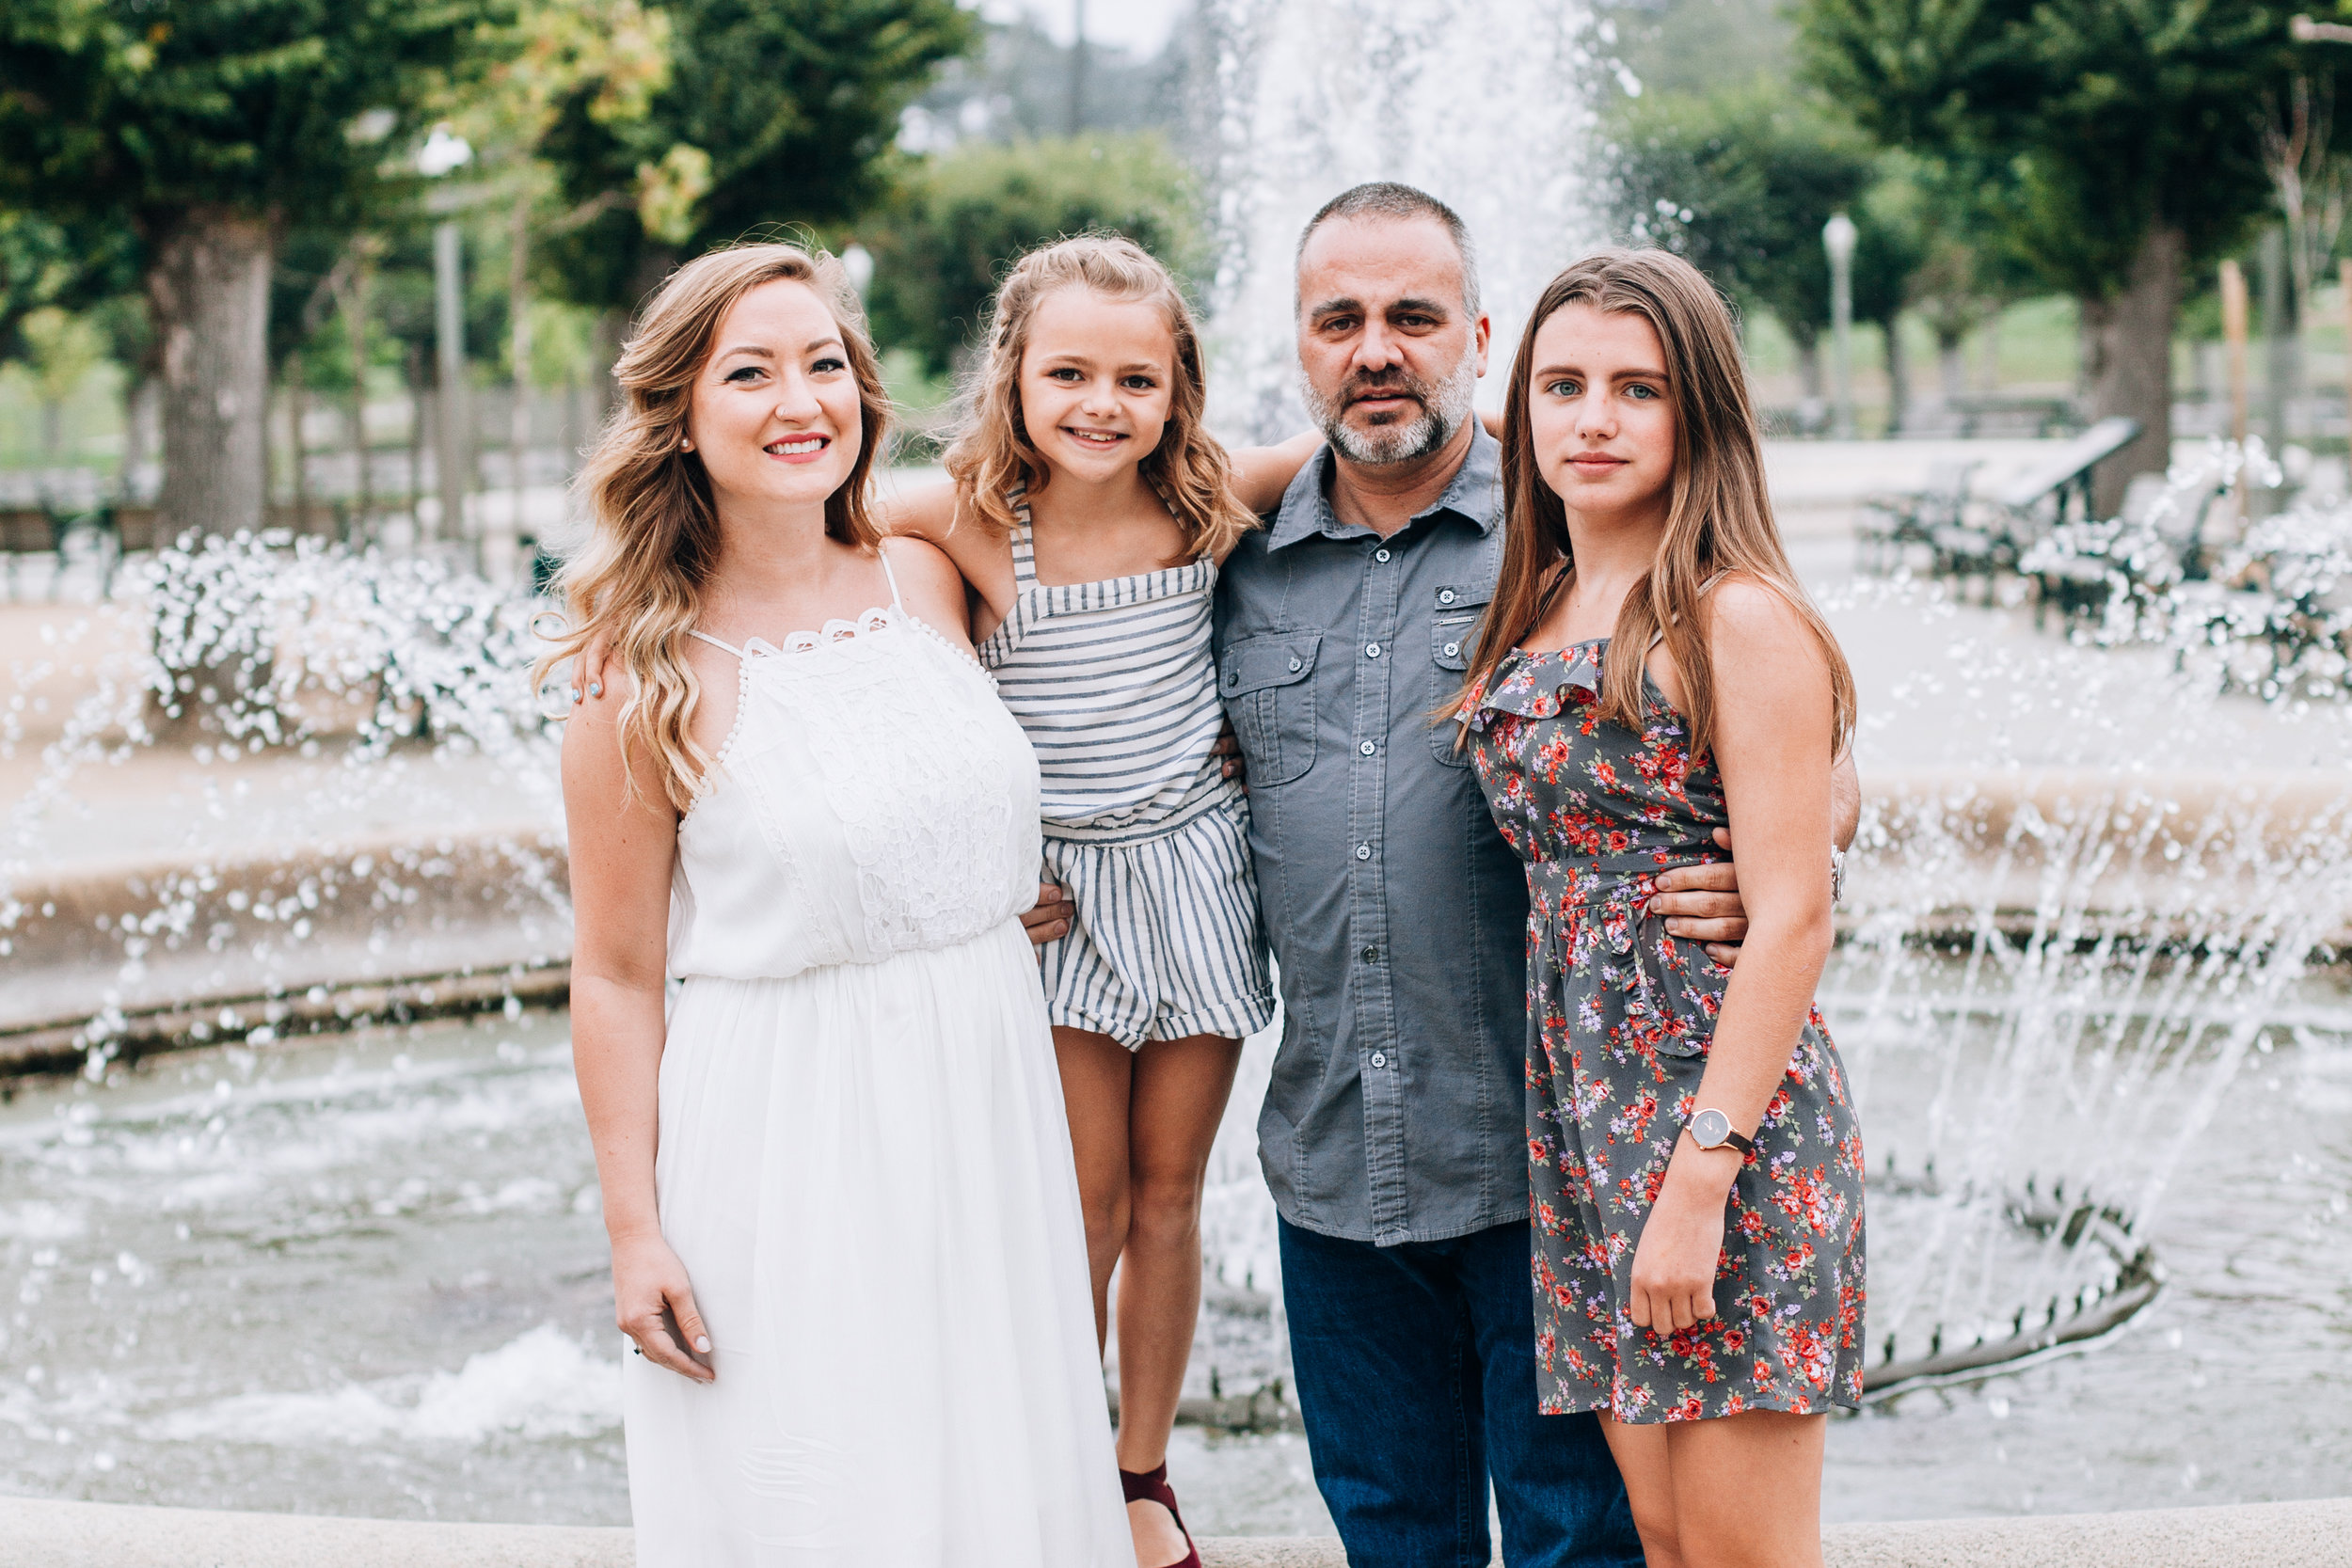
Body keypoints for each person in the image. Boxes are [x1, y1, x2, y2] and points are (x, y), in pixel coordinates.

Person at [1212, 183, 1862, 1566]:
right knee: (1504, 1538)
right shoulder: (1256, 556)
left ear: (1472, 335)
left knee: (1606, 1548)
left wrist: (1783, 850)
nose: (1376, 347)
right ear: (1297, 341)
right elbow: (1025, 516)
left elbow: (1798, 778)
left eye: (1414, 317)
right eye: (1340, 320)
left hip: (1600, 1144)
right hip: (1420, 1155)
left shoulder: (1612, 555)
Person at [544, 242, 1132, 1567]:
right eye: (747, 372)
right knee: (828, 1497)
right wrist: (633, 1233)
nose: (798, 399)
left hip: (986, 1105)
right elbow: (617, 975)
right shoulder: (633, 675)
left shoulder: (925, 572)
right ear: (680, 418)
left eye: (824, 365)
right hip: (784, 1136)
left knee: (999, 1484)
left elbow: (1144, 534)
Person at [885, 233, 1315, 1568]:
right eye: (1068, 372)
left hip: (1193, 875)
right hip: (1058, 901)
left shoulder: (1206, 499)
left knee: (1172, 1193)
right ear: (1012, 373)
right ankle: (1055, 1459)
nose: (1100, 405)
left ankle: (1142, 1469)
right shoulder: (959, 516)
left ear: (1178, 385)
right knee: (1082, 1196)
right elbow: (799, 512)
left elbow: (1397, 445)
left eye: (1137, 378)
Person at [1454, 247, 1866, 1567]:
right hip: (1585, 1125)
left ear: (1699, 415)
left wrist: (1700, 1178)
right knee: (1671, 1543)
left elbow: (1795, 916)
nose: (1593, 418)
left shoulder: (1733, 615)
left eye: (1637, 389)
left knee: (1746, 1557)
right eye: (1563, 385)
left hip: (1719, 1132)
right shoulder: (1538, 606)